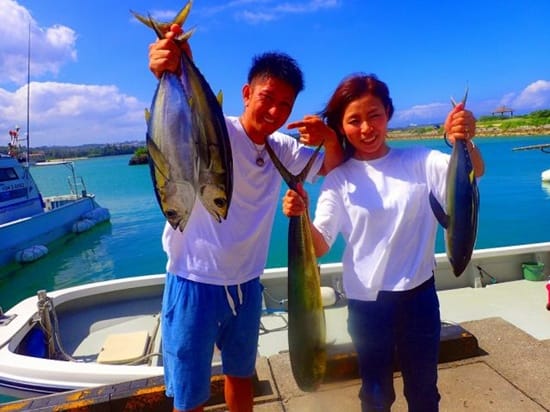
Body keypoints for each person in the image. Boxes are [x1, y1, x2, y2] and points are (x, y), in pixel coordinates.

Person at [148, 25, 344, 412]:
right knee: (189, 394)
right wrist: (170, 64)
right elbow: (180, 117)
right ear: (246, 93)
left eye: (285, 105)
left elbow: (333, 167)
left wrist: (331, 137)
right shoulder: (215, 130)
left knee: (241, 376)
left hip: (247, 285)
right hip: (194, 281)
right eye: (267, 98)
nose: (274, 112)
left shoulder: (283, 148)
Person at [282, 73, 484, 412]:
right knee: (375, 396)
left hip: (419, 298)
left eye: (374, 115)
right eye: (354, 120)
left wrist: (463, 138)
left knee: (423, 392)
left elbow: (474, 171)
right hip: (367, 306)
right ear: (341, 127)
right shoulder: (338, 180)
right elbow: (319, 246)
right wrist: (299, 215)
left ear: (388, 113)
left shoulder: (420, 160)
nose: (366, 128)